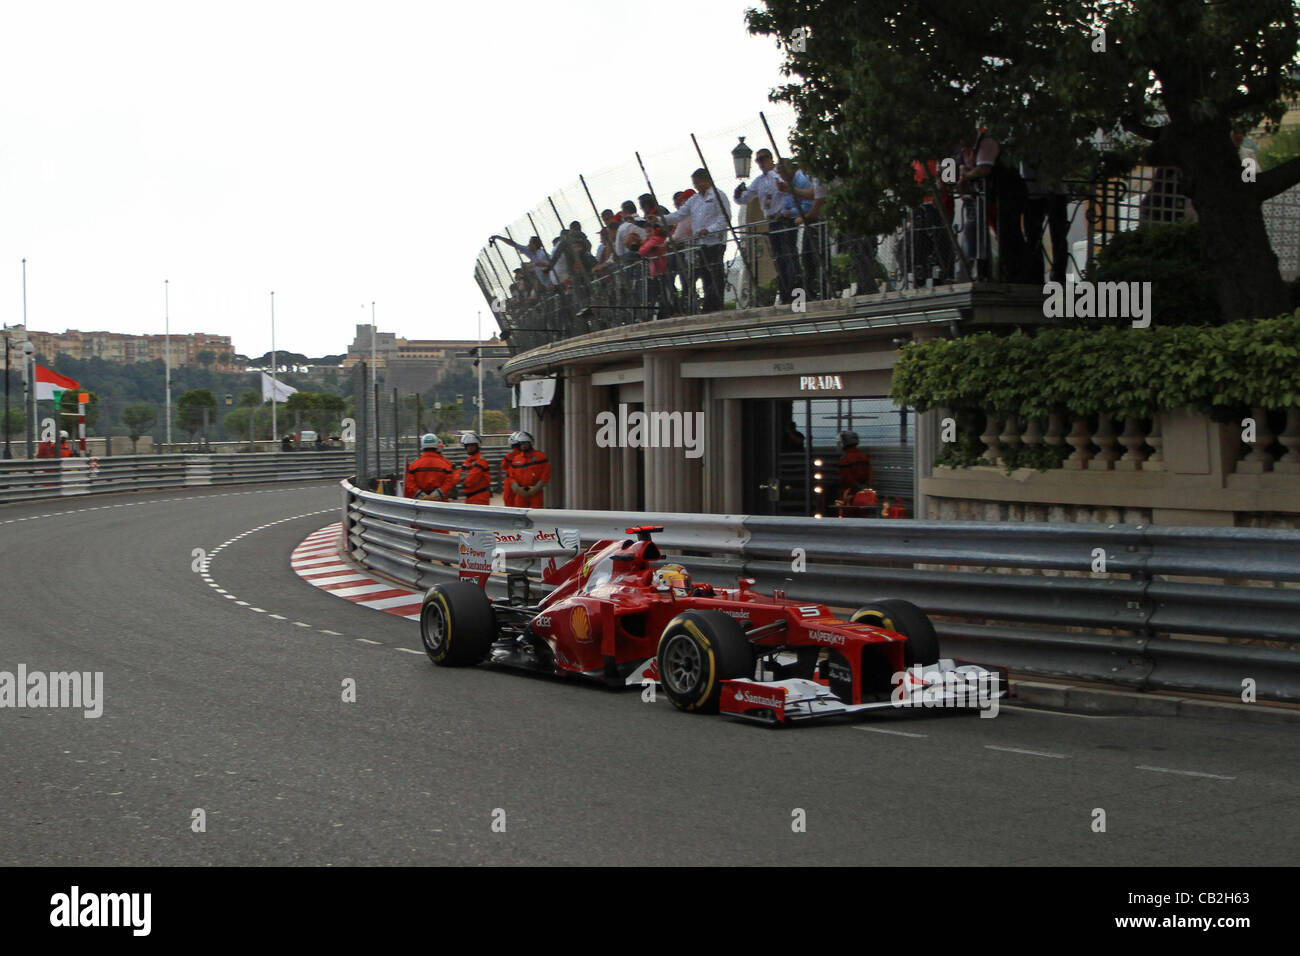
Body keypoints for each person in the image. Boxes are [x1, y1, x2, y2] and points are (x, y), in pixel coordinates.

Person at [735, 148, 801, 303]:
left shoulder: (780, 176)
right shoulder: (759, 181)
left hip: (785, 218)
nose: (761, 163)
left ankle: (797, 293)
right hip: (772, 221)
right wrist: (738, 194)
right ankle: (786, 293)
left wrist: (784, 211)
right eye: (758, 160)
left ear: (770, 159)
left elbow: (789, 194)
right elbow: (745, 198)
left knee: (789, 255)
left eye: (763, 159)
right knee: (778, 258)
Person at [664, 169, 731, 312]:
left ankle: (717, 304)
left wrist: (710, 229)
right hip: (700, 243)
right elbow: (680, 215)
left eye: (697, 183)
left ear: (705, 180)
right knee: (706, 274)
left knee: (716, 273)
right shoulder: (694, 200)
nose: (696, 186)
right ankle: (709, 304)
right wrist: (660, 219)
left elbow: (724, 218)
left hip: (715, 241)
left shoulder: (718, 195)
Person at [504, 430, 550, 508]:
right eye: (521, 444)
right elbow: (511, 476)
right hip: (520, 492)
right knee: (519, 514)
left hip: (535, 492)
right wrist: (517, 488)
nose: (524, 446)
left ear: (530, 443)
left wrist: (536, 488)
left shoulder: (540, 456)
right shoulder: (516, 459)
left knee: (536, 514)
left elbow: (546, 474)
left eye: (525, 443)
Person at [405, 433, 456, 501]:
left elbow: (409, 483)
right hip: (440, 503)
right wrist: (436, 495)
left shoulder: (414, 465)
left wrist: (422, 495)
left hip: (420, 503)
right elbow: (449, 482)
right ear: (436, 445)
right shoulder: (445, 464)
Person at [455, 431, 492, 505]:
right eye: (468, 445)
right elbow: (455, 478)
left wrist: (462, 477)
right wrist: (463, 477)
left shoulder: (481, 460)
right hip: (470, 497)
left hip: (480, 497)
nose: (470, 447)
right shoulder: (468, 461)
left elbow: (470, 481)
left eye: (472, 445)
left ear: (477, 446)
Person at [836, 431, 873, 503]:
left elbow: (846, 477)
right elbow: (870, 474)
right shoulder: (863, 456)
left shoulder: (845, 459)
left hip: (849, 493)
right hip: (864, 492)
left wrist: (856, 487)